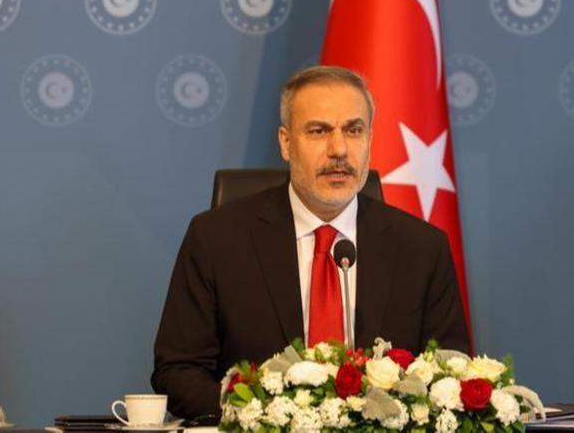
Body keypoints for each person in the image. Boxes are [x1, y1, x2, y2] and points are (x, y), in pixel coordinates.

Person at [152, 65, 469, 420]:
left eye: (353, 130)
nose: (339, 149)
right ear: (286, 143)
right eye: (319, 131)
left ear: (370, 140)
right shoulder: (216, 239)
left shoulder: (422, 249)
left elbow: (452, 376)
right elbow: (177, 374)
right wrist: (266, 414)